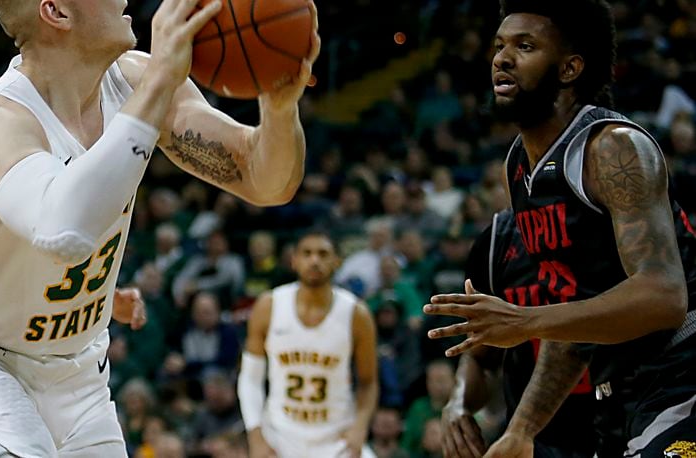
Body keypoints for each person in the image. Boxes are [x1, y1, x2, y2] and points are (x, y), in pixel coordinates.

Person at [0, 0, 319, 456]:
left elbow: (264, 181)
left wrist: (279, 103)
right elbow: (61, 229)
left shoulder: (132, 79)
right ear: (56, 11)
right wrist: (161, 78)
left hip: (78, 370)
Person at [425, 1, 696, 456]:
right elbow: (572, 322)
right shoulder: (520, 167)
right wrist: (521, 430)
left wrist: (525, 321)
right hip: (618, 392)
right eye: (499, 45)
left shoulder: (614, 148)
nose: (502, 58)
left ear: (570, 68)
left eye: (525, 46)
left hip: (682, 374)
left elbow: (664, 296)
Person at [442, 209, 621, 458]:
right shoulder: (497, 241)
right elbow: (479, 356)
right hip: (535, 438)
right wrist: (457, 405)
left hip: (620, 418)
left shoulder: (609, 221)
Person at [238, 231, 378, 457]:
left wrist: (360, 428)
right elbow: (250, 378)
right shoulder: (269, 306)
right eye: (307, 253)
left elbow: (368, 382)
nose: (315, 260)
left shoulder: (356, 314)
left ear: (336, 262)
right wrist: (255, 435)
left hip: (337, 438)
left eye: (323, 254)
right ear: (294, 260)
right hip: (280, 436)